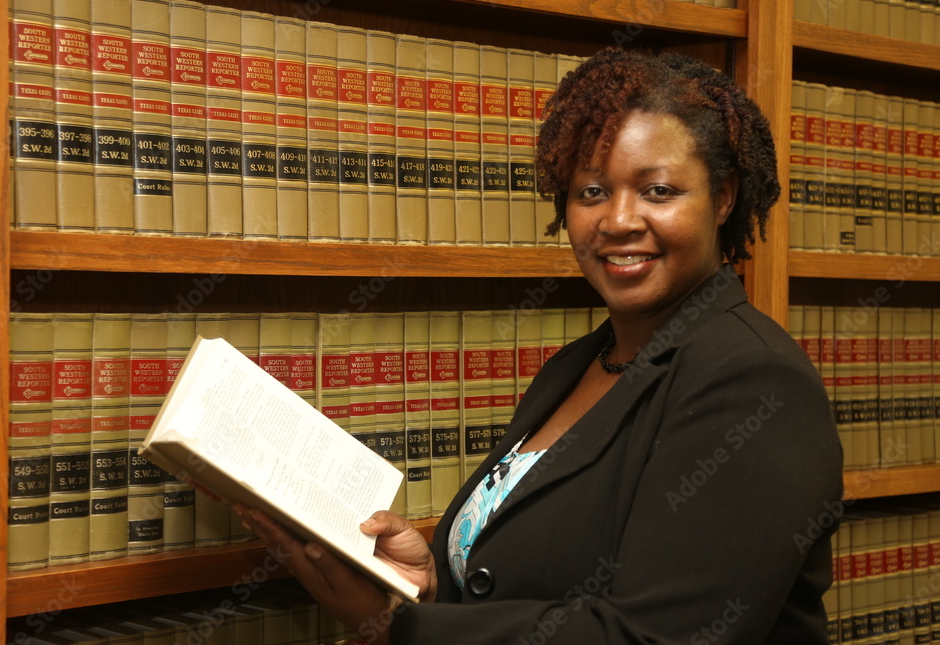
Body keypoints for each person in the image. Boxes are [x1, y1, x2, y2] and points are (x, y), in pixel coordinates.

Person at [237, 47, 843, 644]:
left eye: (658, 191)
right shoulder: (577, 365)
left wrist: (400, 626)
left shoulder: (754, 380)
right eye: (591, 192)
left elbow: (659, 636)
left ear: (725, 197)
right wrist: (432, 584)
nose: (618, 220)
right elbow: (537, 577)